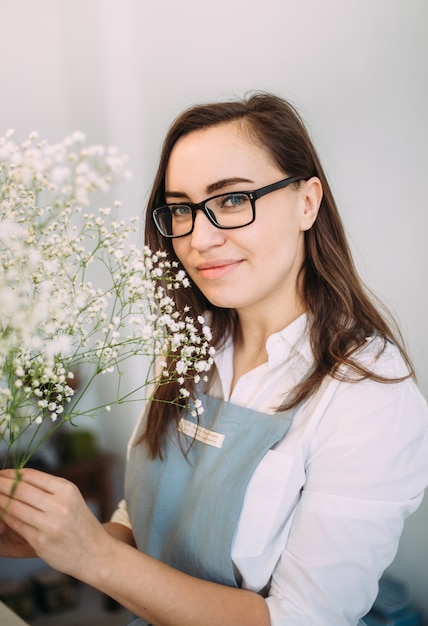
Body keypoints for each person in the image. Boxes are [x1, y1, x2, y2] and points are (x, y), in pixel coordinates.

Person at [1, 93, 428, 626]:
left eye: (231, 200)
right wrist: (52, 537)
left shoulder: (370, 394)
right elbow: (143, 520)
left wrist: (95, 555)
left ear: (307, 202)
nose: (199, 238)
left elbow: (304, 619)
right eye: (181, 209)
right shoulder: (192, 346)